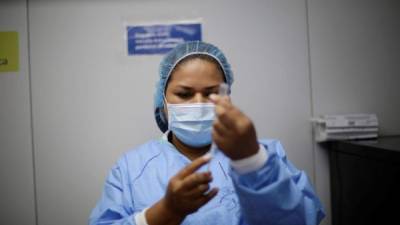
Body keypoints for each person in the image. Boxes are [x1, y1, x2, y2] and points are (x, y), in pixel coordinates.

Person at [89, 41, 325, 225]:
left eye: (211, 93)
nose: (199, 103)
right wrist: (166, 212)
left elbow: (303, 219)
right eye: (184, 94)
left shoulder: (263, 156)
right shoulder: (131, 168)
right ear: (162, 100)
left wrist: (251, 162)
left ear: (227, 97)